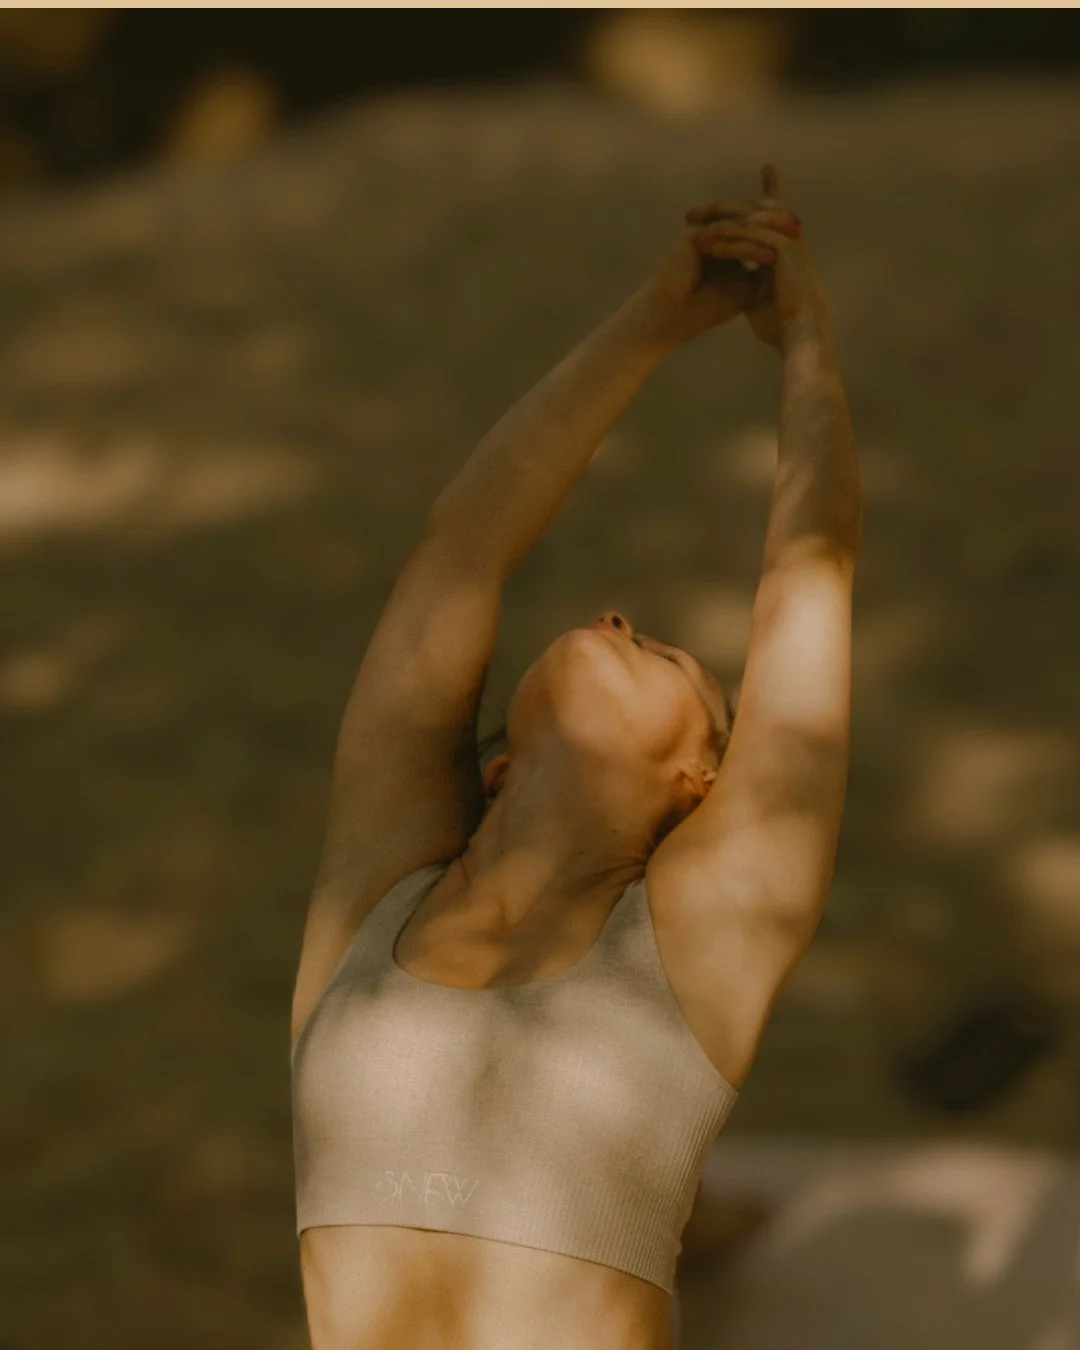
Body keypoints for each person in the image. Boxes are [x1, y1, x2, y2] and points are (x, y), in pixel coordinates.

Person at [289, 163, 863, 1350]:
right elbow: (466, 543)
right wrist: (652, 322)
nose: (616, 616)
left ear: (699, 785)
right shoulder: (378, 892)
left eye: (668, 654)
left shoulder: (701, 937)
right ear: (498, 767)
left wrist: (806, 343)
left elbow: (808, 580)